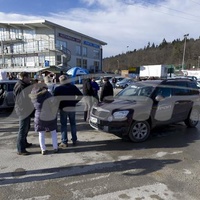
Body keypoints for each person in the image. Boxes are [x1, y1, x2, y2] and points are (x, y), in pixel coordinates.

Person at [29, 82, 58, 155]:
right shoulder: (48, 94)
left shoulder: (33, 95)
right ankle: (55, 147)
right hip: (49, 115)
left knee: (41, 133)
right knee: (53, 131)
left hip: (39, 115)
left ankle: (43, 149)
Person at [54, 75, 83, 147]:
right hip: (72, 107)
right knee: (73, 124)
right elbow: (80, 95)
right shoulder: (72, 87)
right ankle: (74, 140)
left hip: (63, 108)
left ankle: (64, 141)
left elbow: (55, 99)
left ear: (61, 81)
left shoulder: (58, 89)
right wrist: (75, 102)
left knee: (63, 125)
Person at [13, 72, 34, 155]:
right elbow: (21, 101)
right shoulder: (20, 86)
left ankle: (24, 143)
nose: (30, 79)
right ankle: (20, 149)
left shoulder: (23, 85)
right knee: (22, 129)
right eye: (29, 77)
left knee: (26, 127)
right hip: (23, 110)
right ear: (24, 77)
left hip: (25, 110)